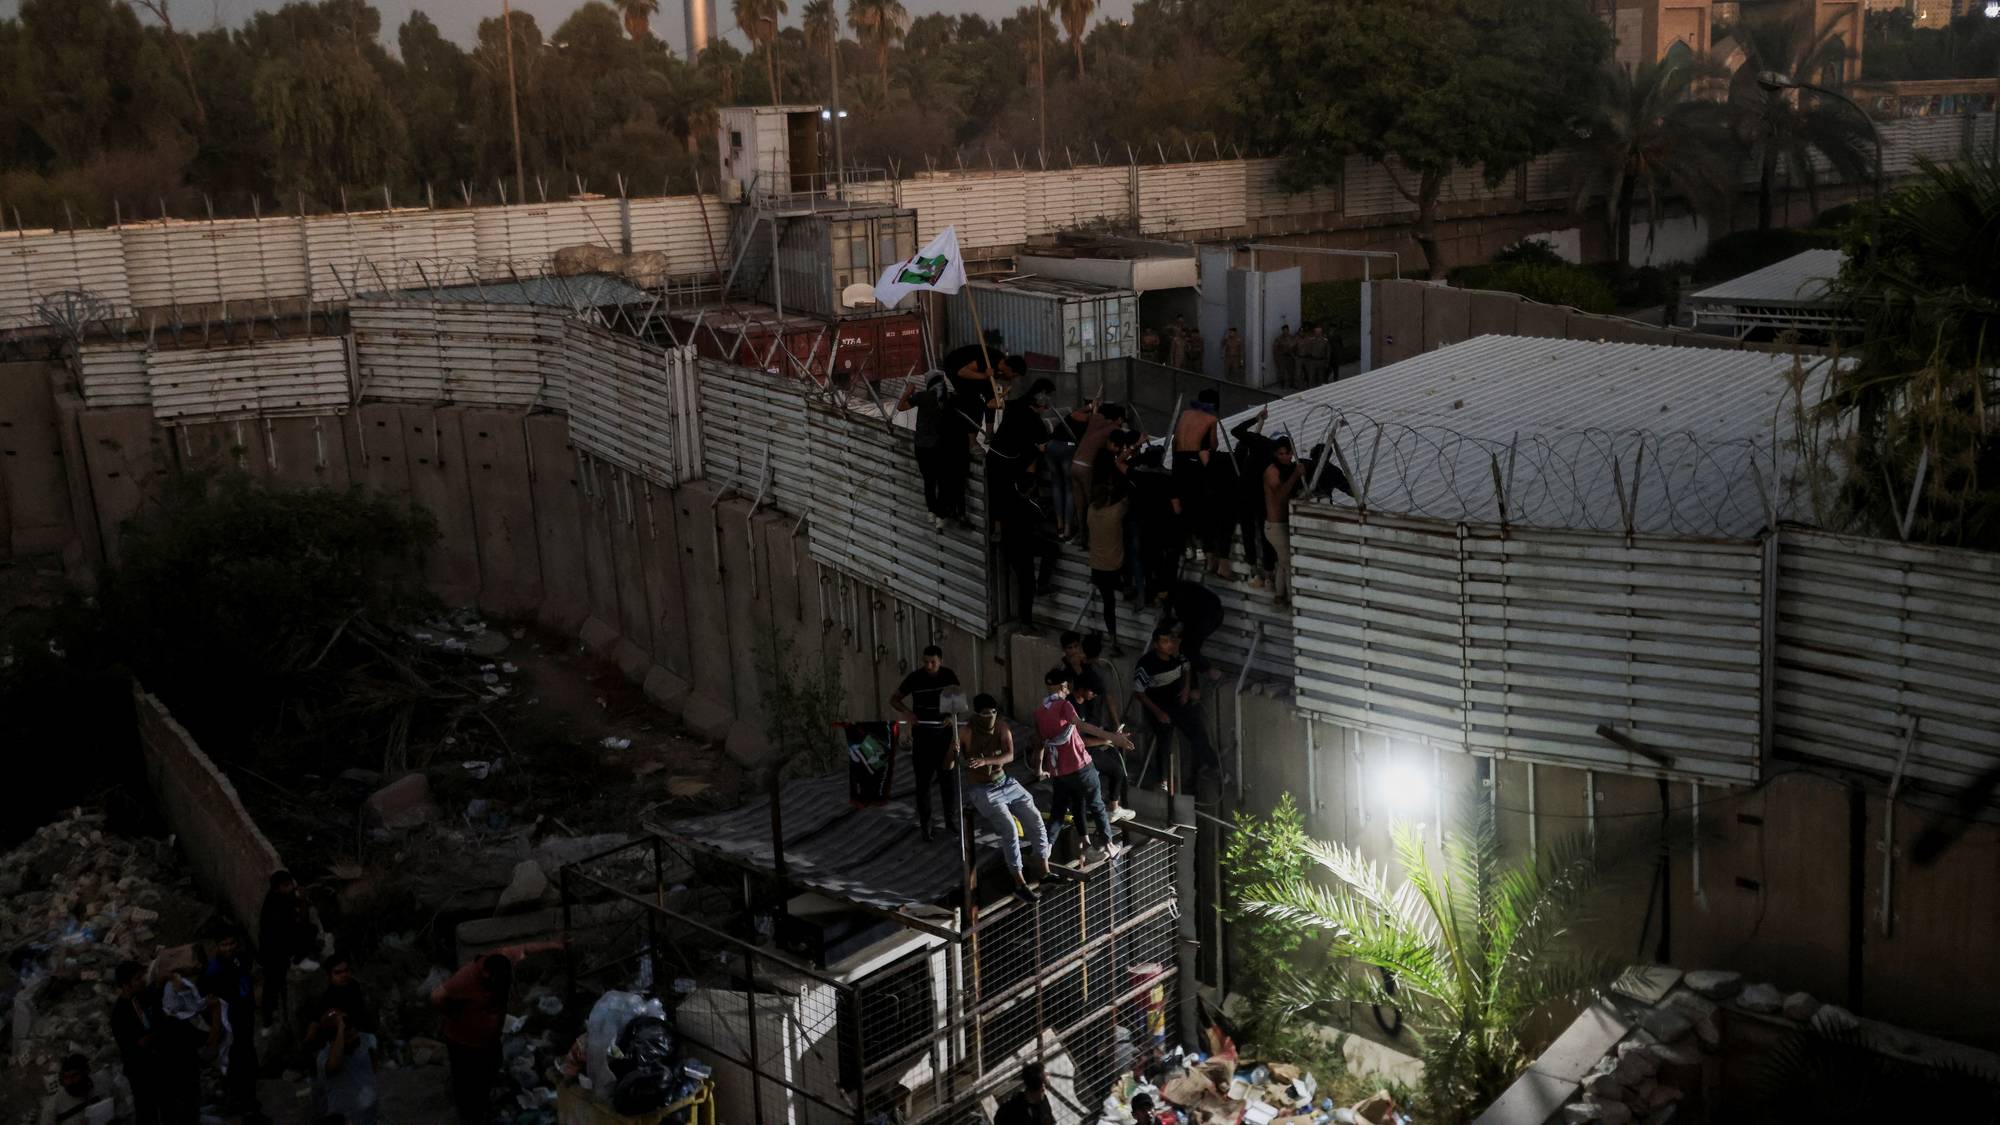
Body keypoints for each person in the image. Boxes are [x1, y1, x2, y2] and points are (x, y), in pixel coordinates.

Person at [957, 693, 1051, 903]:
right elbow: (951, 763)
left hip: (1006, 782)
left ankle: (1044, 871)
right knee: (1009, 829)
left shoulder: (1001, 727)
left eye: (993, 712)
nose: (990, 716)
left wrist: (987, 761)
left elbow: (1009, 755)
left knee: (1035, 819)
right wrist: (955, 753)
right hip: (983, 790)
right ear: (976, 713)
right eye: (985, 713)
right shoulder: (966, 731)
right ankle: (1019, 883)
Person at [1036, 670, 1133, 863]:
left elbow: (1039, 742)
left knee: (1059, 810)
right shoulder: (1065, 705)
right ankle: (1109, 845)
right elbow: (1083, 727)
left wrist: (1039, 769)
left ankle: (1045, 850)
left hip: (1058, 771)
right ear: (1064, 687)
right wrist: (1114, 738)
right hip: (1079, 765)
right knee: (1096, 805)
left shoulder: (1040, 711)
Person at [1057, 634, 1135, 823]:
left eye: (1077, 647)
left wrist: (1112, 732)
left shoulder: (1087, 683)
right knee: (1096, 783)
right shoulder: (1069, 703)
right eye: (1070, 648)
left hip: (1089, 737)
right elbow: (1079, 737)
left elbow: (1106, 699)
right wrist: (1108, 739)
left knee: (1115, 772)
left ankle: (1109, 811)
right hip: (1079, 750)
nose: (1074, 652)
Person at [1133, 625, 1221, 788]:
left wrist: (1186, 689)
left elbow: (1187, 668)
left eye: (1171, 641)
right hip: (1157, 705)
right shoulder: (1147, 664)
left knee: (1196, 730)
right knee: (1164, 740)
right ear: (1156, 645)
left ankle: (1212, 765)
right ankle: (1162, 780)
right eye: (1165, 642)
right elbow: (1139, 693)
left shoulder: (1178, 657)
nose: (1170, 645)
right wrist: (1158, 713)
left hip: (1176, 702)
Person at [891, 645, 963, 841]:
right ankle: (926, 826)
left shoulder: (948, 676)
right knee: (923, 783)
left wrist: (951, 716)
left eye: (932, 662)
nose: (929, 666)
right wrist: (908, 713)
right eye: (925, 662)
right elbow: (895, 699)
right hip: (923, 736)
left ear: (940, 660)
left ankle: (951, 822)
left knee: (947, 779)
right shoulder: (915, 678)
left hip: (944, 736)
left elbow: (958, 702)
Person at [201, 931, 264, 1121]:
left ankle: (249, 1097)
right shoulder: (213, 969)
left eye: (231, 943)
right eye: (224, 944)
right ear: (217, 947)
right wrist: (217, 1021)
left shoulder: (241, 959)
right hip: (230, 1021)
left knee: (247, 1056)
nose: (228, 948)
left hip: (245, 1015)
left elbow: (247, 980)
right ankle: (239, 1101)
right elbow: (206, 999)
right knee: (234, 1059)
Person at [1174, 388, 1228, 579]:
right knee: (1201, 505)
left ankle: (1188, 546)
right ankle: (1203, 550)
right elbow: (1213, 445)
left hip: (1178, 460)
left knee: (1182, 503)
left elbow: (1176, 440)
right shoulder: (1211, 419)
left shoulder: (1185, 413)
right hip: (1194, 461)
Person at [900, 371, 961, 530]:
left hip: (922, 446)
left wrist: (907, 392)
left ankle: (932, 511)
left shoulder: (922, 396)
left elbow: (901, 407)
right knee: (942, 480)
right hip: (941, 447)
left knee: (929, 480)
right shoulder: (949, 400)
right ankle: (941, 515)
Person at [257, 870, 318, 1028]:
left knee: (310, 931)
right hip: (273, 951)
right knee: (272, 985)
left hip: (284, 943)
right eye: (287, 885)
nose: (291, 887)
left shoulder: (286, 896)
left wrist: (302, 901)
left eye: (291, 884)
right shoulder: (273, 906)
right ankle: (267, 1022)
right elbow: (287, 928)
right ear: (277, 888)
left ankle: (297, 960)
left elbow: (299, 917)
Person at [999, 479, 1059, 635]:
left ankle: (1041, 586)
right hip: (1022, 547)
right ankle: (1026, 623)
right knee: (1027, 585)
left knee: (1026, 583)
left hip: (1011, 546)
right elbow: (1043, 516)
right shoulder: (1029, 505)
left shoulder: (1008, 500)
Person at [110, 962, 164, 1125]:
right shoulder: (119, 1015)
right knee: (147, 1110)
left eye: (142, 976)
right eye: (137, 978)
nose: (142, 980)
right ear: (126, 985)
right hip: (140, 1070)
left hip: (153, 1062)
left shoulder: (140, 996)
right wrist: (159, 1029)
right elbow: (140, 1044)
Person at [1066, 400, 1126, 544]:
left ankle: (1081, 536)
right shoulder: (1113, 429)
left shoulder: (1095, 418)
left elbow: (1074, 414)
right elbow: (1114, 448)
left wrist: (1091, 407)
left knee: (1079, 505)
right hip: (1086, 466)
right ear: (1118, 419)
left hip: (1074, 463)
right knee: (1092, 503)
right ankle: (1094, 538)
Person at [314, 1010, 379, 1125]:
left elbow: (374, 1064)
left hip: (368, 1115)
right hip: (342, 1118)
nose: (354, 1037)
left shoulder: (367, 1040)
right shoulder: (324, 1057)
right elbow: (334, 1065)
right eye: (347, 1036)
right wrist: (340, 1030)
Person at [1086, 479, 1130, 646]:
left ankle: (1113, 639)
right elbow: (1127, 499)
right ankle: (1128, 588)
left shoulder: (1090, 511)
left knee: (1108, 603)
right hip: (1114, 566)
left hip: (1097, 566)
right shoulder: (1116, 511)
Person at [1263, 436, 1307, 604]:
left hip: (1282, 524)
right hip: (1275, 526)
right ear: (1275, 454)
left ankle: (1279, 595)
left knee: (1282, 562)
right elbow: (1281, 496)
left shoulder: (1286, 469)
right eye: (1281, 454)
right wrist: (1296, 474)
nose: (1285, 457)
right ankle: (1290, 600)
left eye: (1288, 453)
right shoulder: (1272, 471)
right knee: (1288, 563)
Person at [1160, 579, 1224, 679]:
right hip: (1206, 613)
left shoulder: (1180, 599)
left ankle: (1210, 671)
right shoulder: (1174, 591)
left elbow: (1188, 622)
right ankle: (1201, 672)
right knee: (1188, 648)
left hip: (1208, 616)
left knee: (1187, 647)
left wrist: (1179, 636)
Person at [41, 1053, 115, 1125]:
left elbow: (119, 1106)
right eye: (66, 1077)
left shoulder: (101, 1082)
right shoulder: (54, 1104)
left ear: (85, 1073)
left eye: (74, 1076)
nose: (70, 1082)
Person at [1273, 322, 1297, 387]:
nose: (1285, 332)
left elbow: (1296, 347)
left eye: (1286, 330)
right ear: (1282, 331)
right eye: (1284, 330)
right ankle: (1282, 384)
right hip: (1282, 357)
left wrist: (1295, 356)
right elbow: (1275, 349)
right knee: (1282, 372)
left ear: (1288, 330)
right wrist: (1276, 358)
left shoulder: (1292, 337)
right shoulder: (1279, 339)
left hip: (1290, 357)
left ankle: (1292, 384)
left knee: (1291, 371)